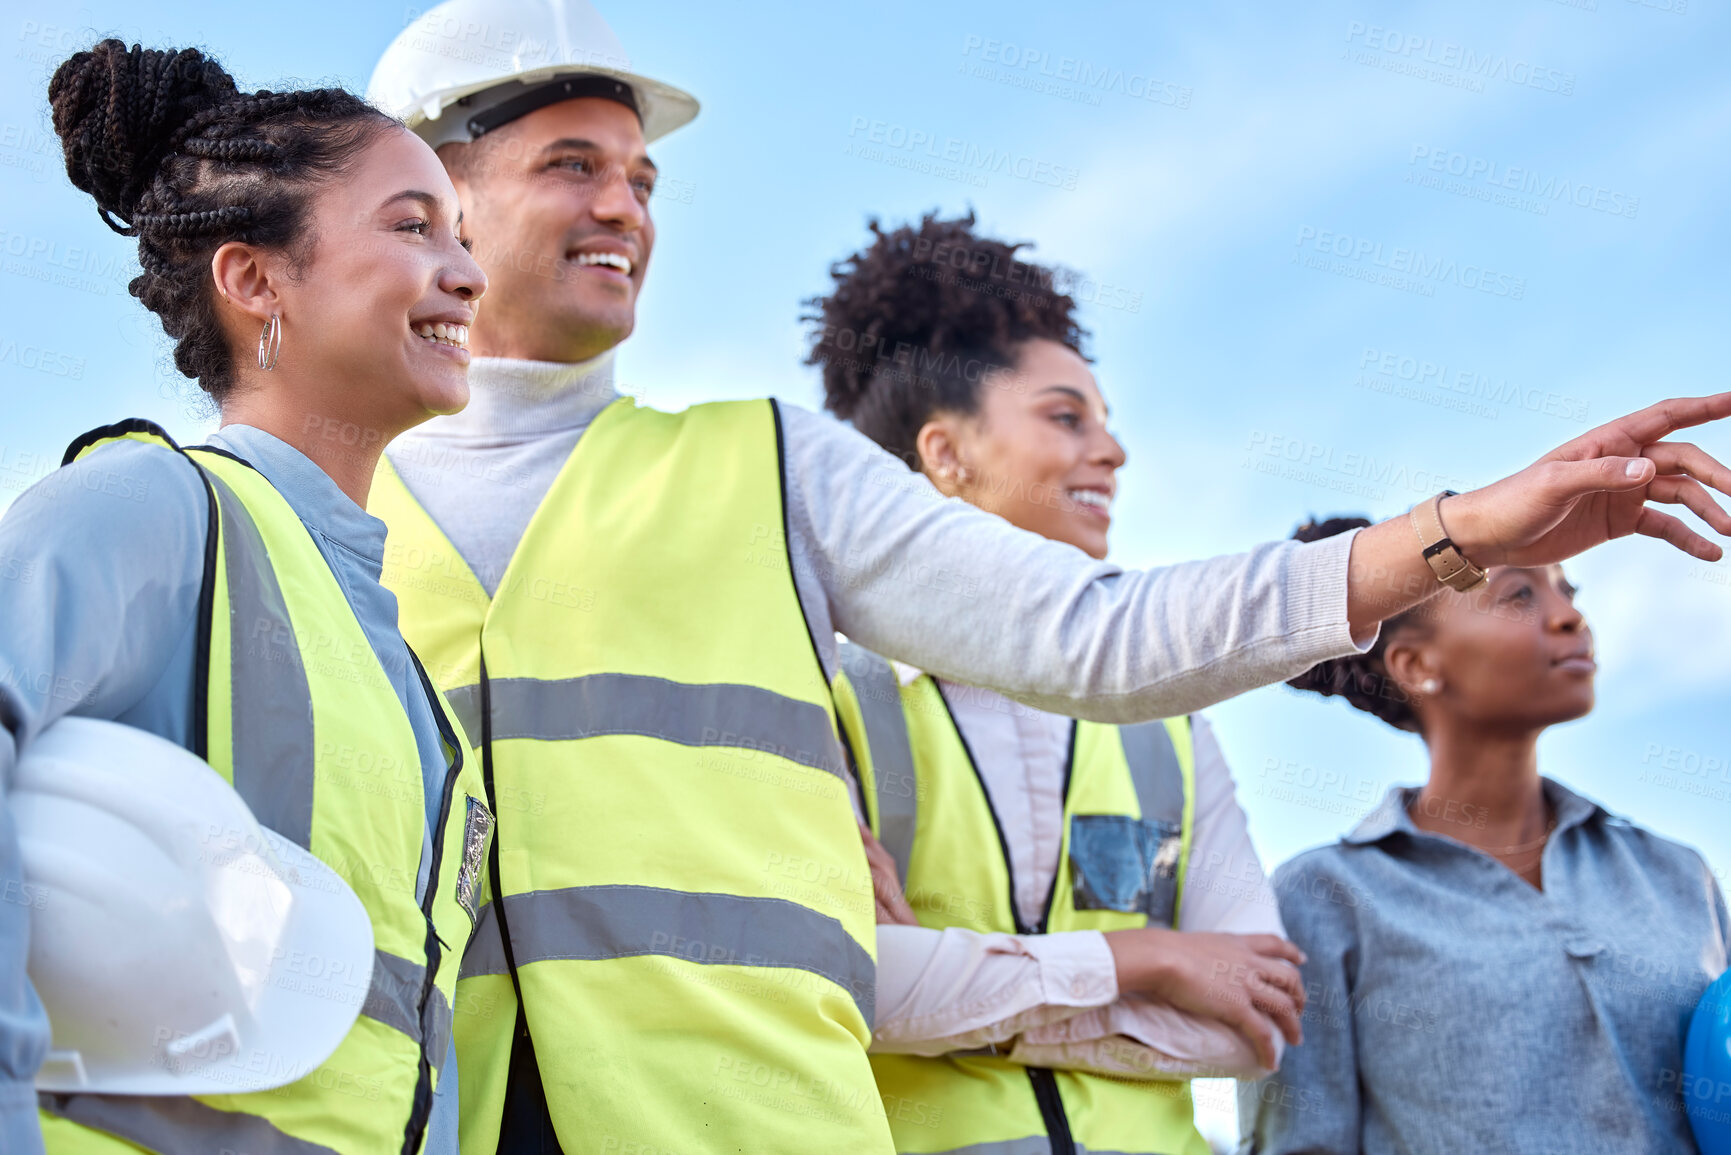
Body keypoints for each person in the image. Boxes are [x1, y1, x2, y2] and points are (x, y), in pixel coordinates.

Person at [365, 0, 1731, 1149]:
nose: (623, 206)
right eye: (570, 165)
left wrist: (1463, 530)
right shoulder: (331, 506)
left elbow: (1108, 640)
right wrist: (1126, 961)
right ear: (434, 193)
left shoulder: (765, 470)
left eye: (640, 178)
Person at [0, 40, 489, 1155]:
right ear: (255, 280)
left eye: (462, 232)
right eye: (413, 226)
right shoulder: (147, 509)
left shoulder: (395, 663)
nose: (467, 270)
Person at [812, 213, 1303, 1155]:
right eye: (1065, 416)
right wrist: (1148, 957)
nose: (1112, 452)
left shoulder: (1173, 725)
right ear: (945, 455)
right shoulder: (827, 688)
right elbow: (853, 985)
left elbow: (1255, 1020)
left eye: (1106, 424)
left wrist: (967, 996)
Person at [1238, 516, 1731, 1154]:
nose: (1567, 617)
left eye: (1567, 591)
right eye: (1520, 595)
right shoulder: (1324, 896)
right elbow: (1303, 1142)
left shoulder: (1676, 874)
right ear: (1417, 666)